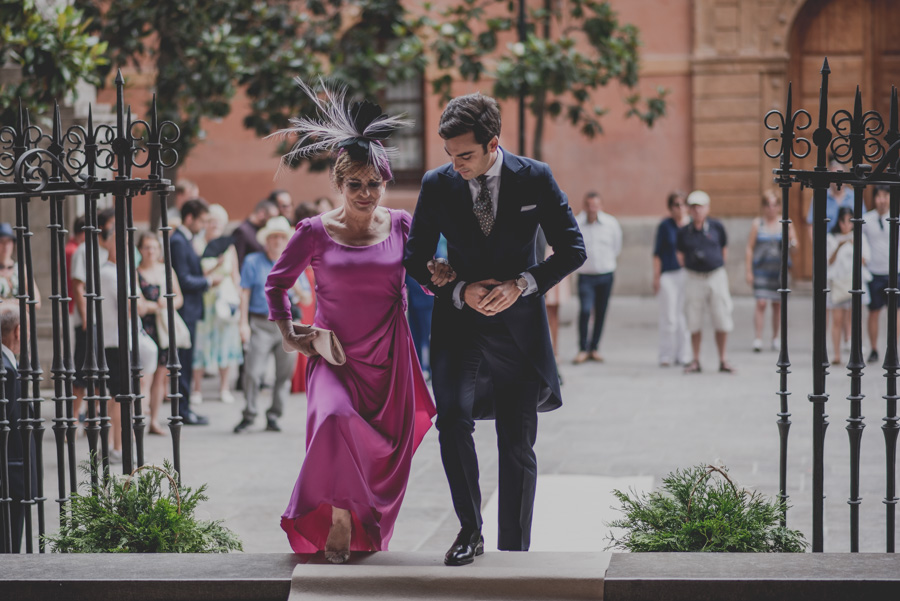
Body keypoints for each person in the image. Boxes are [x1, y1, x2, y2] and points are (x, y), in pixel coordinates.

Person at [404, 92, 586, 565]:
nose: (456, 164)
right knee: (452, 423)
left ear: (492, 143)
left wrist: (522, 285)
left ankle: (514, 552)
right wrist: (456, 288)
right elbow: (414, 256)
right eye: (450, 155)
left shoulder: (535, 177)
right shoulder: (437, 183)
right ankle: (470, 531)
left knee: (517, 442)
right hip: (458, 322)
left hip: (519, 327)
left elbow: (573, 249)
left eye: (465, 155)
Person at [266, 82, 435, 563]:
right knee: (334, 420)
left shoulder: (401, 225)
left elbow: (426, 281)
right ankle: (339, 517)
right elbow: (276, 284)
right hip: (334, 357)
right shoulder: (314, 232)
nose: (365, 193)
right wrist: (289, 334)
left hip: (388, 361)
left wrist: (442, 276)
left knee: (381, 452)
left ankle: (365, 514)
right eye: (355, 184)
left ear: (384, 183)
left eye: (374, 184)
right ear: (339, 185)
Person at [98, 217, 160, 462]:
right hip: (117, 340)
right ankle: (118, 447)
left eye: (126, 242)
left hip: (126, 339)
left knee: (125, 395)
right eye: (119, 241)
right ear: (108, 242)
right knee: (120, 396)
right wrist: (144, 304)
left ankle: (118, 445)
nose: (124, 246)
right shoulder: (109, 273)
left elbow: (139, 304)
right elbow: (134, 306)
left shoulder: (121, 271)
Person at [233, 217, 298, 433]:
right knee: (252, 372)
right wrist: (243, 323)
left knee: (283, 374)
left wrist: (294, 283)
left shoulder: (293, 262)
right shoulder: (253, 261)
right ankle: (249, 414)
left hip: (288, 327)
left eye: (281, 237)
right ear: (266, 240)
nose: (277, 241)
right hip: (260, 322)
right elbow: (245, 293)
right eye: (273, 237)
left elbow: (307, 298)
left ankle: (274, 416)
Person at [170, 199, 218, 426]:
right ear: (189, 218)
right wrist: (208, 281)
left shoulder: (185, 239)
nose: (203, 225)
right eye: (202, 221)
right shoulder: (178, 241)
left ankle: (185, 407)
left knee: (187, 362)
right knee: (183, 362)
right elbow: (183, 279)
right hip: (185, 310)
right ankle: (182, 410)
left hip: (191, 309)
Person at [676, 190, 735, 374]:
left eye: (700, 207)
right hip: (694, 277)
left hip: (715, 276)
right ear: (689, 210)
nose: (697, 211)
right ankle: (696, 360)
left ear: (707, 208)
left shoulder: (717, 227)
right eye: (693, 207)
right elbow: (680, 254)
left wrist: (716, 263)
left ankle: (723, 359)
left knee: (721, 317)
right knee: (693, 319)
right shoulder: (684, 231)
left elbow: (724, 248)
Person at [192, 204, 243, 404]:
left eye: (219, 223)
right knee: (201, 344)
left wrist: (238, 298)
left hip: (225, 299)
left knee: (226, 342)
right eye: (211, 221)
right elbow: (196, 274)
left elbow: (235, 275)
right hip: (205, 300)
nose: (215, 226)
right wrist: (216, 265)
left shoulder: (229, 247)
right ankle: (197, 389)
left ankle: (224, 388)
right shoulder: (197, 245)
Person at [136, 230, 184, 435]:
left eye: (154, 248)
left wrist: (167, 303)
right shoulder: (135, 273)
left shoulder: (167, 271)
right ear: (140, 250)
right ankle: (140, 418)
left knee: (160, 377)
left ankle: (154, 420)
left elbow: (179, 299)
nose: (151, 251)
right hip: (144, 328)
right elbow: (138, 306)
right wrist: (157, 306)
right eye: (147, 247)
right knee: (143, 377)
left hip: (163, 328)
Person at [70, 209, 113, 432]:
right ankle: (73, 420)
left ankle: (92, 417)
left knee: (100, 372)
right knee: (82, 371)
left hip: (107, 322)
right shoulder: (84, 250)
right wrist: (86, 316)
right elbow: (78, 285)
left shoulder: (109, 252)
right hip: (89, 321)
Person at [0, 304, 36, 553]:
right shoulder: (7, 370)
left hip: (11, 473)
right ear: (19, 331)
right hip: (11, 474)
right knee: (9, 547)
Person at [573, 191, 621, 364]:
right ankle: (582, 348)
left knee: (601, 312)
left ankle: (594, 348)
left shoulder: (611, 223)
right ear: (584, 206)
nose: (592, 209)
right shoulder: (577, 223)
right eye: (589, 205)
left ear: (601, 206)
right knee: (585, 310)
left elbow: (616, 247)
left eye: (595, 205)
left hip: (605, 275)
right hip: (585, 275)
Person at [745, 190, 796, 352]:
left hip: (779, 271)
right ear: (763, 206)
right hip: (761, 270)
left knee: (777, 304)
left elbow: (795, 247)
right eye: (768, 204)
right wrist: (748, 271)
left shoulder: (786, 222)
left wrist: (791, 241)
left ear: (779, 206)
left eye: (774, 204)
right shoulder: (757, 224)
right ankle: (758, 338)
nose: (771, 208)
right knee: (760, 303)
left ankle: (775, 338)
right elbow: (749, 248)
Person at [828, 206, 871, 366]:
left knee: (855, 319)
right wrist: (839, 246)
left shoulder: (860, 237)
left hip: (855, 281)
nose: (846, 225)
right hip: (839, 283)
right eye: (843, 221)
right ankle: (837, 354)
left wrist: (854, 245)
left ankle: (856, 350)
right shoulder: (832, 238)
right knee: (837, 319)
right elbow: (828, 261)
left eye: (849, 221)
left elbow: (865, 260)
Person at [653, 191, 691, 367]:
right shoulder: (665, 226)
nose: (680, 208)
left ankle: (683, 354)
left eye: (683, 204)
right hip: (668, 274)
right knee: (668, 316)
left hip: (687, 274)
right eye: (676, 204)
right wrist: (656, 276)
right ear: (670, 207)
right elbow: (657, 253)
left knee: (683, 316)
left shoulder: (691, 225)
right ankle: (666, 354)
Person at [863, 185, 897, 364]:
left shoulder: (896, 219)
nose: (882, 200)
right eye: (879, 196)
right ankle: (874, 348)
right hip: (874, 271)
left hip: (894, 271)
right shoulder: (867, 220)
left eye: (886, 196)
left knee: (896, 312)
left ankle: (894, 347)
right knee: (874, 312)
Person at [0, 222, 40, 309]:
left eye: (8, 241)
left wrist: (9, 303)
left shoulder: (21, 268)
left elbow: (36, 301)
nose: (5, 246)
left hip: (20, 316)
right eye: (2, 241)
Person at [232, 199, 279, 268]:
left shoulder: (262, 229)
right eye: (271, 217)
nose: (273, 221)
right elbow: (238, 261)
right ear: (261, 214)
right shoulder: (242, 231)